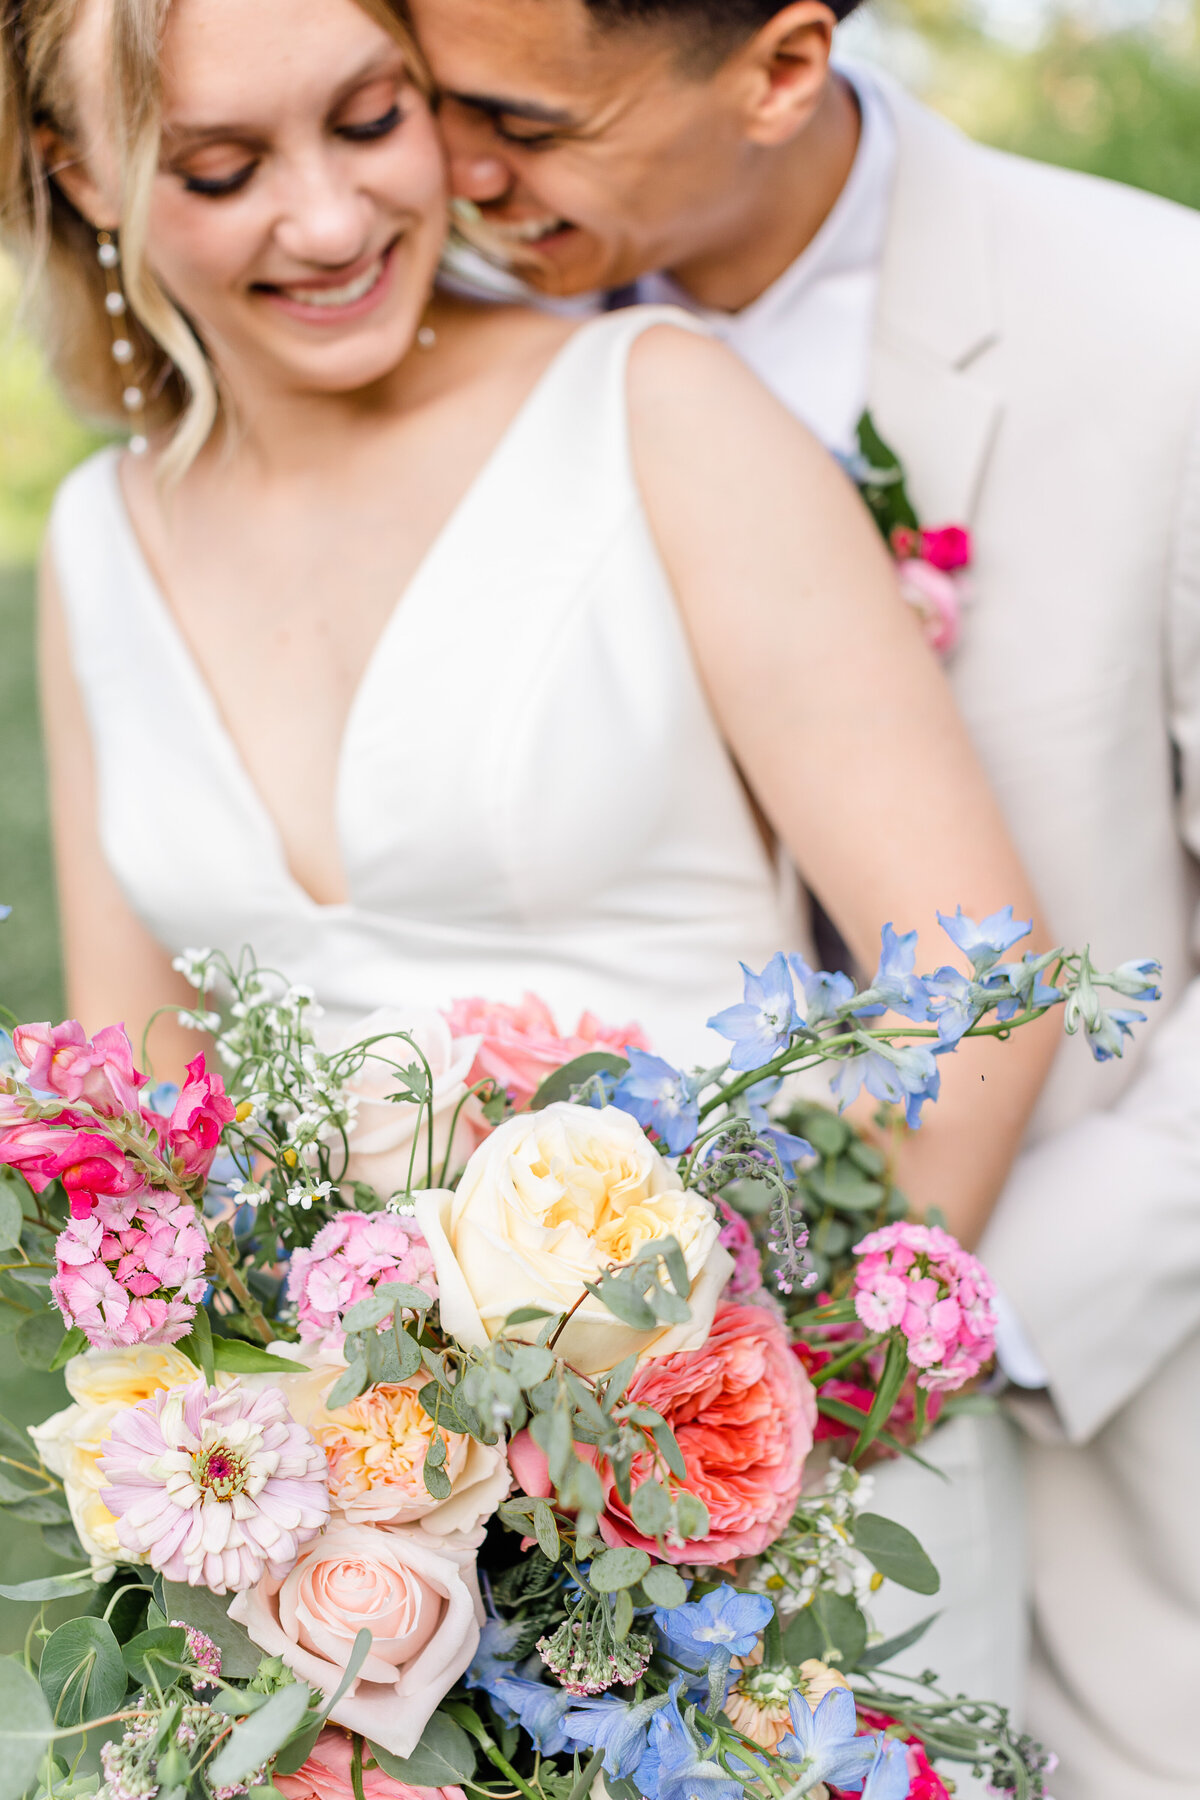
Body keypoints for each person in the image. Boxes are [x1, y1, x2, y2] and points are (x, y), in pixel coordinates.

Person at [2, 0, 1056, 1755]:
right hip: (342, 1610)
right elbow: (144, 1121)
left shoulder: (653, 412)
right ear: (75, 172)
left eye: (370, 119)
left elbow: (985, 990)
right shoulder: (99, 544)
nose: (332, 220)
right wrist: (277, 1540)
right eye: (222, 166)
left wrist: (759, 1465)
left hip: (760, 1553)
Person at [394, 0, 1200, 1794]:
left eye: (528, 123)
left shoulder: (1161, 327)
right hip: (582, 1504)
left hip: (1118, 1420)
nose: (455, 177)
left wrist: (966, 1310)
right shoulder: (443, 362)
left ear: (779, 68)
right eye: (434, 107)